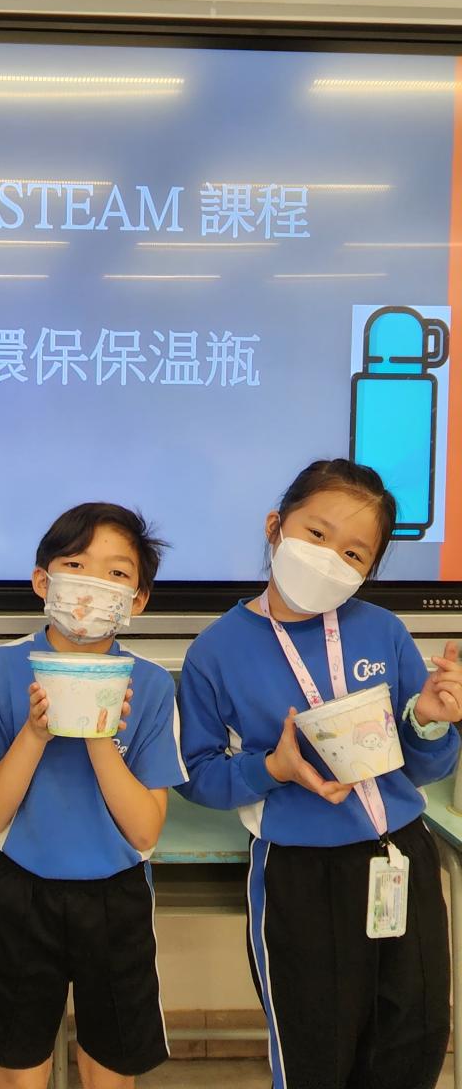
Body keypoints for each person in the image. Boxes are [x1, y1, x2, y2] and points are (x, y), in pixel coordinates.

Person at [177, 458, 462, 1089]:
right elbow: (196, 775)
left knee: (413, 1042)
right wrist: (272, 769)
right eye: (316, 533)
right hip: (299, 874)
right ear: (275, 526)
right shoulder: (216, 650)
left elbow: (426, 766)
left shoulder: (384, 630)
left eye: (354, 553)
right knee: (315, 1054)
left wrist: (431, 721)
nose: (331, 558)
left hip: (400, 859)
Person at [0, 502, 187, 1089]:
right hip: (22, 887)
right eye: (76, 564)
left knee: (111, 1062)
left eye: (117, 572)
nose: (92, 584)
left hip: (116, 894)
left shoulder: (151, 685)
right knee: (18, 1058)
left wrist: (99, 731)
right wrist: (36, 733)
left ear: (137, 600)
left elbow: (145, 830)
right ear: (43, 581)